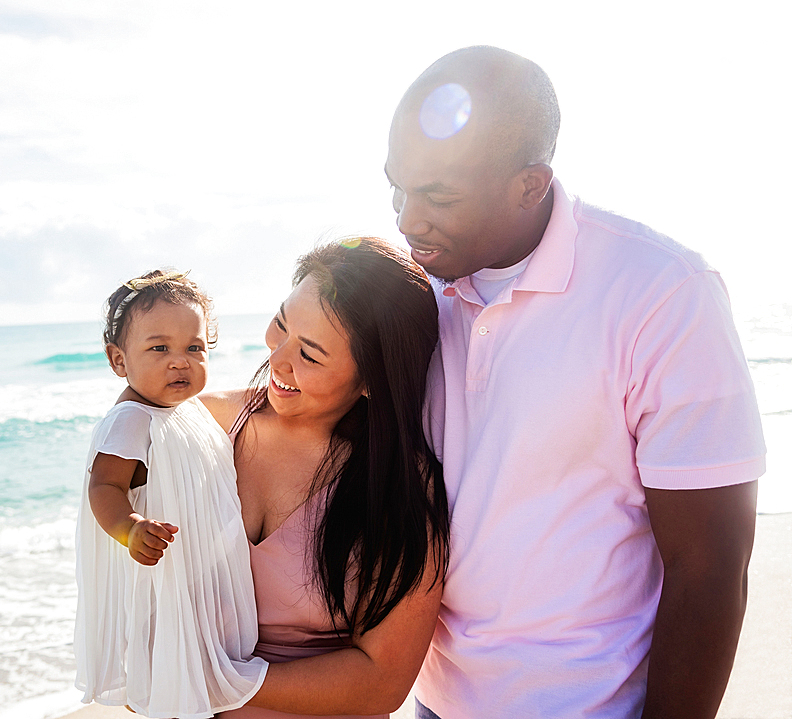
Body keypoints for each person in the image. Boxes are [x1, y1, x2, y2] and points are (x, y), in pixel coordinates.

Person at [385, 46, 767, 718]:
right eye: (398, 187)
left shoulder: (662, 292)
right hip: (435, 703)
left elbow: (709, 565)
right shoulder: (416, 292)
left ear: (531, 185)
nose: (407, 218)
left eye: (438, 195)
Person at [201, 237, 451, 718]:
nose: (278, 359)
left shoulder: (400, 487)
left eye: (310, 356)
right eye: (281, 323)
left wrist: (215, 681)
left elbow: (381, 682)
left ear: (371, 379)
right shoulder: (205, 425)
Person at [74, 270, 268, 718]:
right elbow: (104, 485)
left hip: (194, 575)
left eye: (194, 348)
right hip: (162, 577)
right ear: (118, 360)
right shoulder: (131, 419)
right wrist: (130, 528)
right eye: (159, 348)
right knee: (171, 673)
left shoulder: (186, 410)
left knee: (197, 669)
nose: (179, 361)